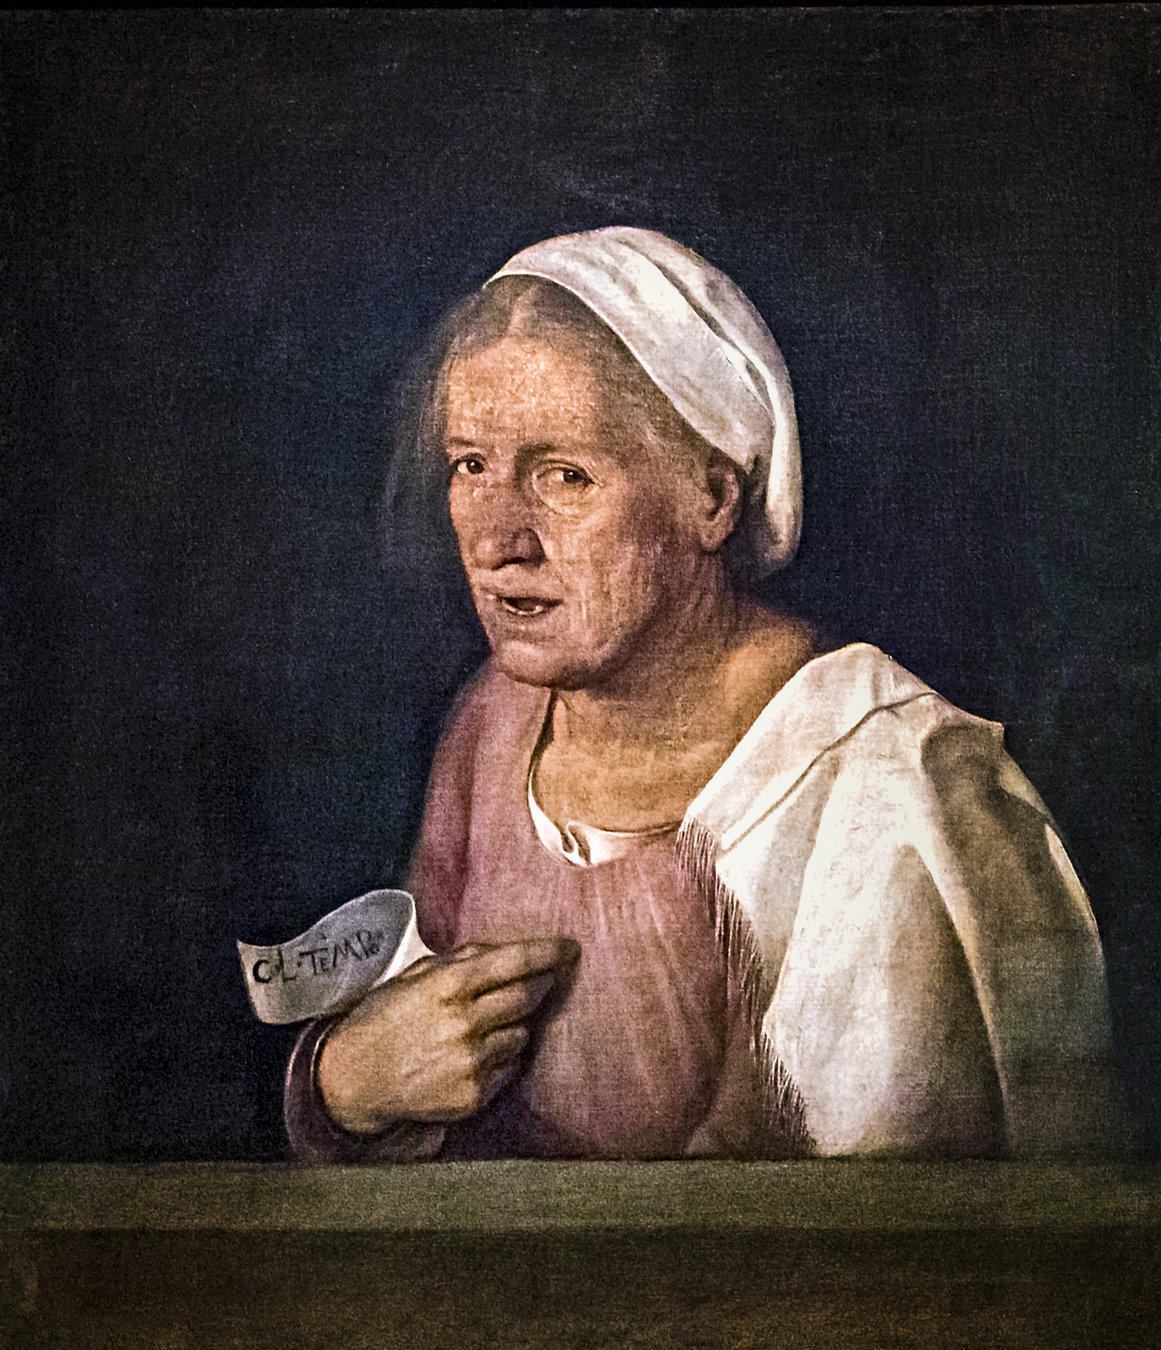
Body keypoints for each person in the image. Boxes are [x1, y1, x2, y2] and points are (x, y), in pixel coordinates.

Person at [284, 227, 1124, 1162]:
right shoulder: (494, 723)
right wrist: (345, 1082)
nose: (496, 541)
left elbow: (883, 1228)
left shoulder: (884, 785)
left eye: (564, 476)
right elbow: (412, 1058)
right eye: (470, 466)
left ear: (712, 498)